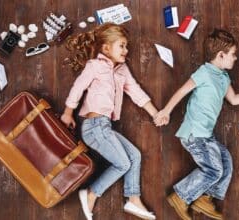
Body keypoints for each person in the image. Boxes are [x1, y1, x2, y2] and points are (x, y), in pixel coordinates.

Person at [154, 29, 239, 220]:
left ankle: (205, 198)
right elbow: (181, 91)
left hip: (206, 136)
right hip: (194, 134)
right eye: (233, 54)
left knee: (226, 162)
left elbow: (233, 99)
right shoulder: (204, 72)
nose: (235, 58)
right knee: (214, 170)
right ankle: (180, 196)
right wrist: (166, 111)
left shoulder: (224, 78)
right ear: (221, 55)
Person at [61, 23, 157, 220]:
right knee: (122, 164)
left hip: (105, 127)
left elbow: (135, 91)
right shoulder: (94, 66)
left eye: (126, 46)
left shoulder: (122, 71)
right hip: (94, 127)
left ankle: (133, 198)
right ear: (106, 48)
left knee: (135, 156)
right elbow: (78, 88)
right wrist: (68, 113)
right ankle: (91, 194)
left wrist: (155, 113)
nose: (126, 50)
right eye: (121, 45)